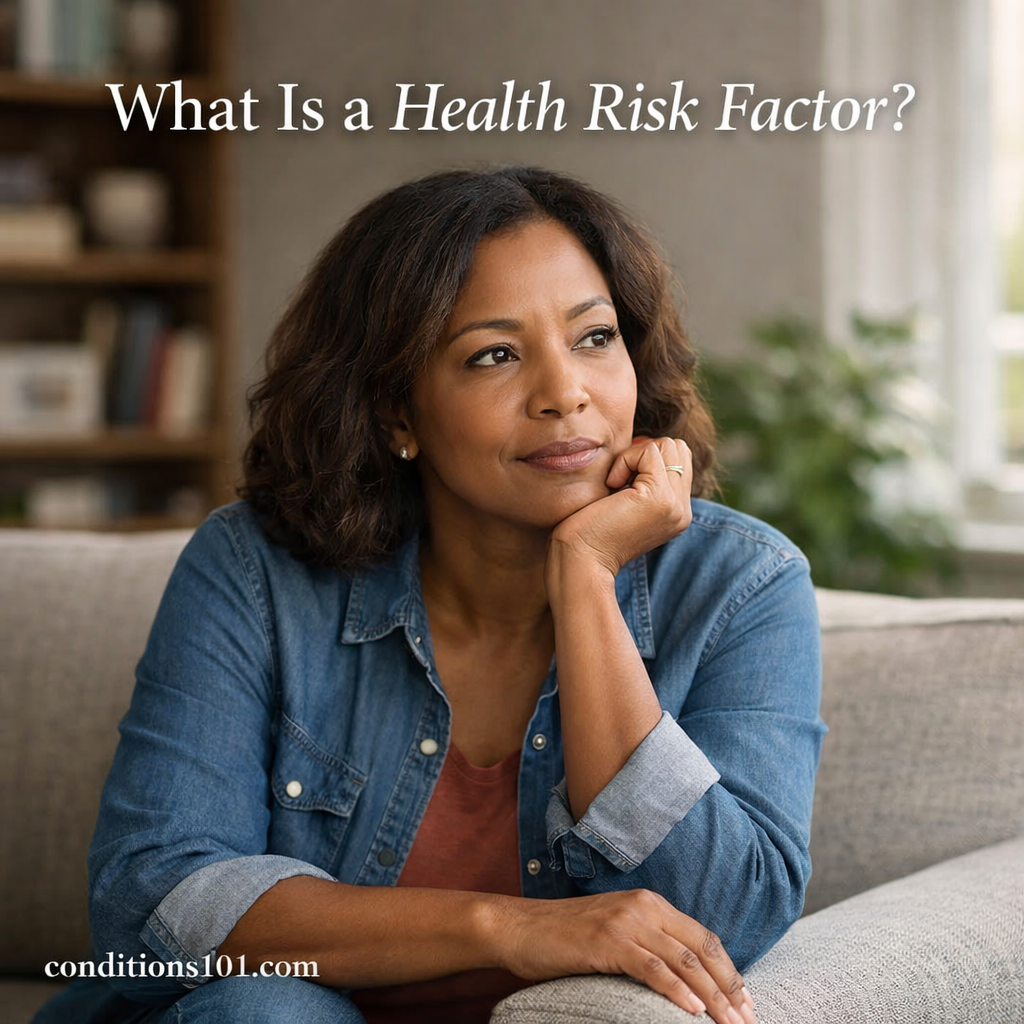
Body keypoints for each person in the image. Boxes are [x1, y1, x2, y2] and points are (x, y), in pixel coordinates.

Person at [33, 166, 826, 1024]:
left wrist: (587, 582)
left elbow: (730, 919)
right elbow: (152, 895)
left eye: (594, 338)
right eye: (494, 354)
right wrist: (506, 928)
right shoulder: (255, 569)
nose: (566, 393)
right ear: (395, 414)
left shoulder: (742, 584)